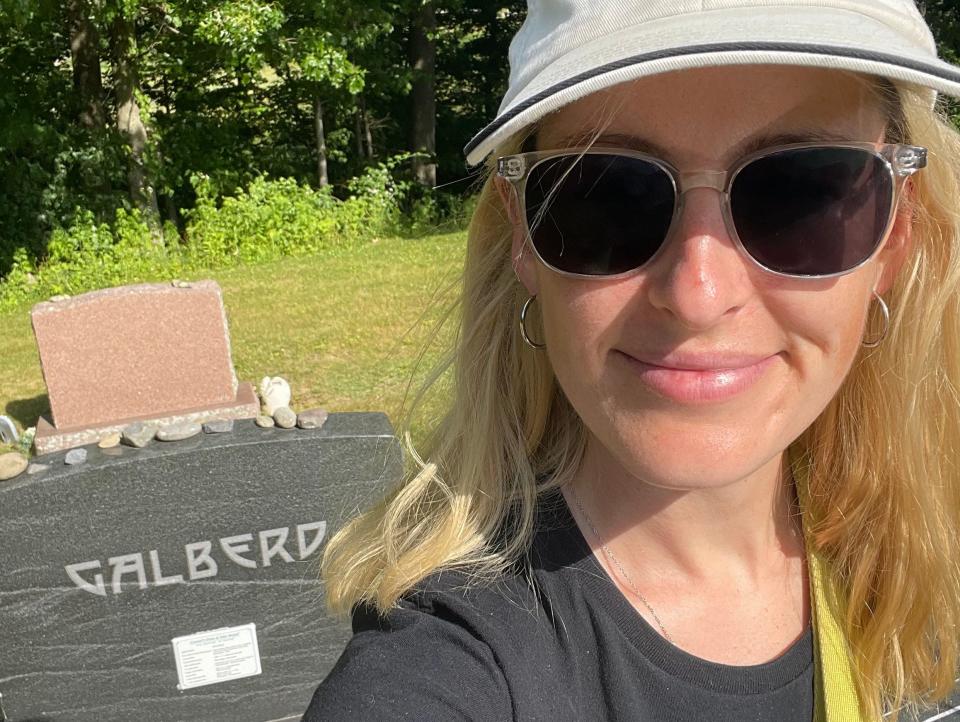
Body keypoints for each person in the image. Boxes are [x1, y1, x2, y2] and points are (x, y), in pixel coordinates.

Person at [304, 1, 960, 720]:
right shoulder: (446, 670)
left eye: (799, 193)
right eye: (605, 195)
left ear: (899, 236)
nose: (699, 294)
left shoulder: (925, 558)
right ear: (522, 235)